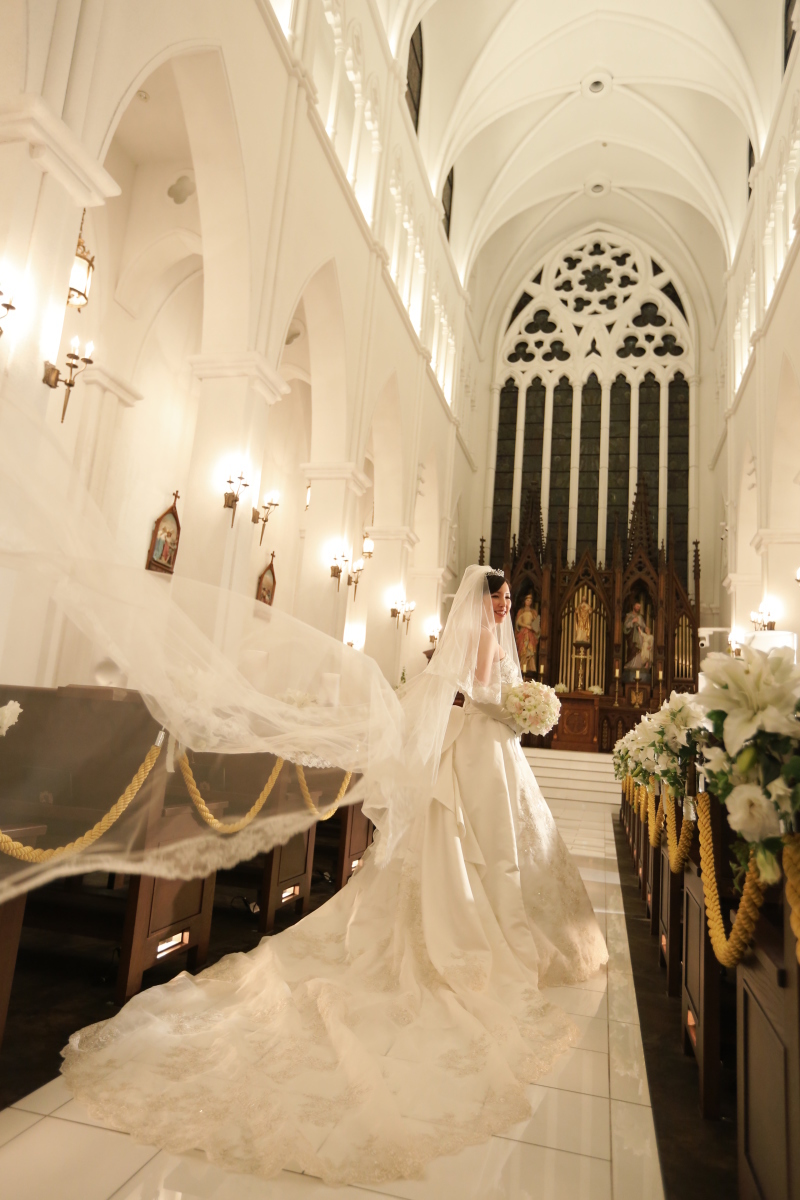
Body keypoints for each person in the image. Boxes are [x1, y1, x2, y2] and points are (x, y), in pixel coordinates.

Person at [61, 565, 608, 1188]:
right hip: (479, 746)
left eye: (511, 601)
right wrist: (515, 709)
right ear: (480, 603)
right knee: (472, 849)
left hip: (490, 752)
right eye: (502, 600)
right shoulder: (478, 638)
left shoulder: (499, 635)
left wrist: (517, 708)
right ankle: (470, 933)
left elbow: (489, 690)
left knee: (496, 850)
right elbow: (473, 690)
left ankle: (489, 918)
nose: (508, 609)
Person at [514, 591, 540, 673]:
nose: (529, 601)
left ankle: (530, 668)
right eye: (527, 599)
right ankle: (522, 667)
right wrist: (526, 626)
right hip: (523, 633)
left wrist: (533, 627)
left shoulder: (533, 612)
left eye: (530, 600)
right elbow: (518, 623)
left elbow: (536, 624)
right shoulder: (521, 611)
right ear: (524, 601)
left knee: (530, 651)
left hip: (530, 634)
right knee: (523, 650)